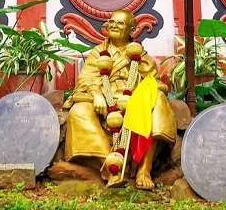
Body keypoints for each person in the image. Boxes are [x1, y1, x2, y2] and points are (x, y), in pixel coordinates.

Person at [63, 10, 176, 189]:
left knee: (158, 99)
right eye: (112, 22)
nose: (114, 25)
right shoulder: (98, 52)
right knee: (79, 111)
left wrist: (138, 96)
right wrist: (96, 94)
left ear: (131, 29)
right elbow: (85, 80)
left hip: (132, 99)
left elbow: (154, 82)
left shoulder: (140, 55)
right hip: (103, 99)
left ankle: (144, 169)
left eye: (120, 23)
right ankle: (112, 166)